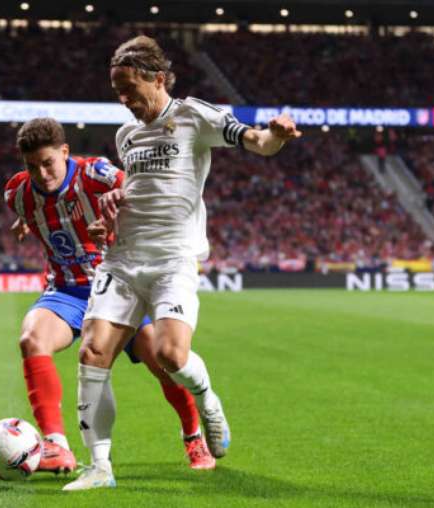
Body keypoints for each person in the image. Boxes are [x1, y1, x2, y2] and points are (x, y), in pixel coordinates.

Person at [64, 35, 301, 491]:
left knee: (170, 355)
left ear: (157, 78)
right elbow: (140, 189)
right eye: (118, 92)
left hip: (173, 259)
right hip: (122, 258)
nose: (125, 100)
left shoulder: (194, 114)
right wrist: (110, 218)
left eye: (130, 88)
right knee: (92, 354)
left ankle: (208, 402)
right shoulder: (126, 134)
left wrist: (278, 134)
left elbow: (257, 141)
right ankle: (99, 467)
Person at [3, 117, 216, 475]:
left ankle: (193, 435)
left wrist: (118, 221)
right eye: (32, 166)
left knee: (161, 360)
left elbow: (144, 195)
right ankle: (56, 445)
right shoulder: (18, 194)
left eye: (48, 162)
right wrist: (26, 221)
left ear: (65, 152)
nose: (41, 173)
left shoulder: (97, 174)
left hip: (122, 285)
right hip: (67, 291)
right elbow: (33, 210)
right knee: (31, 338)